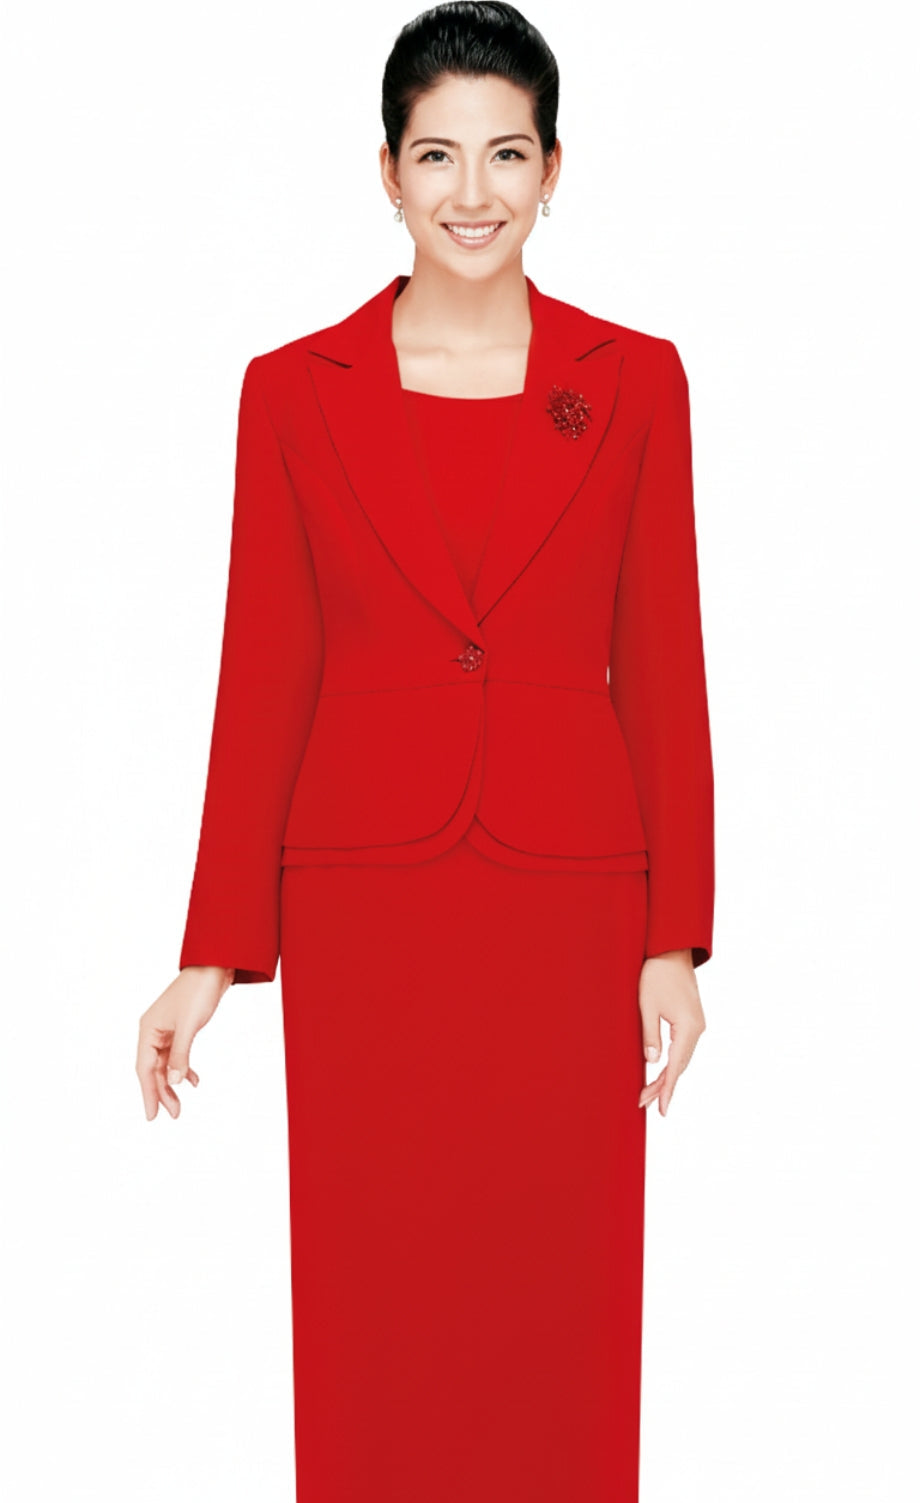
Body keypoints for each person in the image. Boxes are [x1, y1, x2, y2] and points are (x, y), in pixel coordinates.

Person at [136, 4, 715, 1498]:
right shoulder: (291, 390)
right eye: (438, 155)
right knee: (374, 1289)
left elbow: (664, 663)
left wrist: (674, 940)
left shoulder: (637, 380)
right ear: (387, 172)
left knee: (559, 1293)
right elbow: (265, 672)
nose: (473, 192)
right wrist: (211, 952)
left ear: (553, 170)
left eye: (506, 154)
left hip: (569, 908)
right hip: (366, 913)